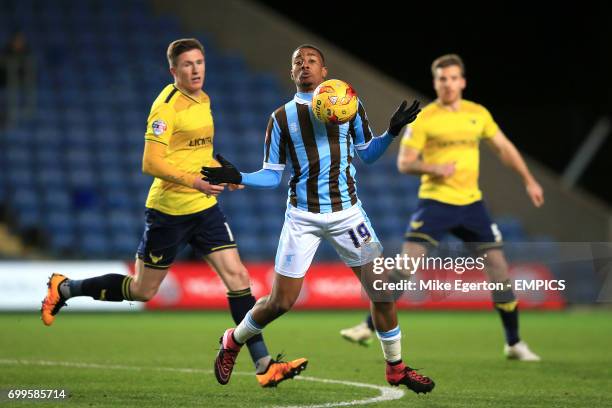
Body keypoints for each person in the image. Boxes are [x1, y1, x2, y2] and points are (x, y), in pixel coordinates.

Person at [40, 38, 307, 387]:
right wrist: (194, 183)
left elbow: (198, 152)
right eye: (187, 65)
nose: (196, 69)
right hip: (168, 211)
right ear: (173, 71)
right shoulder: (166, 107)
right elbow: (150, 161)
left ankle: (264, 366)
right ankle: (65, 289)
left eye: (200, 62)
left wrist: (225, 174)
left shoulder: (204, 99)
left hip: (205, 209)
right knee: (142, 290)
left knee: (239, 279)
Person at [201, 44, 435, 394]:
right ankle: (233, 340)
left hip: (348, 215)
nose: (305, 65)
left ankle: (396, 369)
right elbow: (271, 175)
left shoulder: (349, 104)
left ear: (324, 71)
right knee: (281, 302)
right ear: (292, 73)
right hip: (302, 217)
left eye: (312, 61)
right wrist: (241, 176)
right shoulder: (280, 118)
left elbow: (367, 155)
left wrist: (391, 133)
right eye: (298, 62)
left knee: (382, 291)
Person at [340, 54, 544, 362]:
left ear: (462, 81)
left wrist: (529, 179)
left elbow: (503, 147)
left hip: (472, 205)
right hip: (435, 203)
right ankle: (368, 326)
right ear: (435, 83)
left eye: (452, 78)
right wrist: (435, 168)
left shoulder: (478, 114)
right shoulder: (425, 118)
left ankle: (514, 343)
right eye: (441, 79)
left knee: (499, 270)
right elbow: (405, 163)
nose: (447, 84)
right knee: (406, 267)